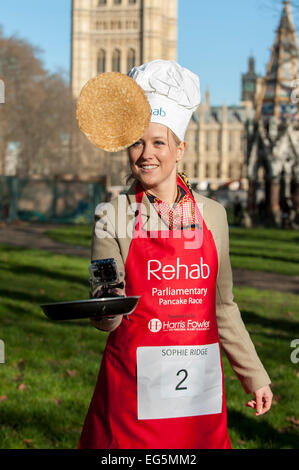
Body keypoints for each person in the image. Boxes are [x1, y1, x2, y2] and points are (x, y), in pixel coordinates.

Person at [78, 60, 272, 450]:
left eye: (158, 142)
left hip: (198, 392)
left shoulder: (215, 216)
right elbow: (107, 310)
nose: (146, 154)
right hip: (133, 390)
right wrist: (105, 309)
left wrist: (255, 375)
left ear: (180, 149)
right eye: (136, 142)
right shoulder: (112, 216)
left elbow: (224, 307)